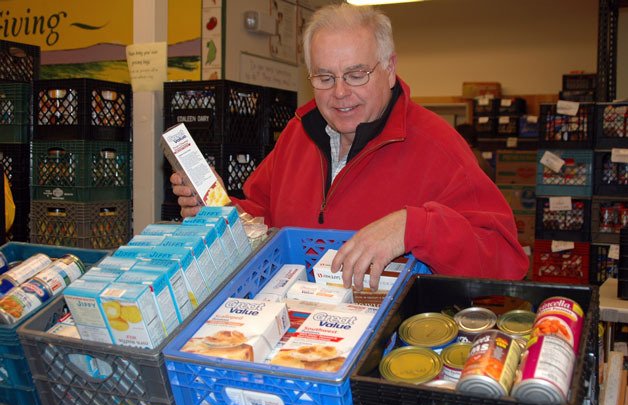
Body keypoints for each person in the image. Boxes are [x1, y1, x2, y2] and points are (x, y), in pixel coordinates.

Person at [171, 3, 529, 291]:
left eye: (357, 75)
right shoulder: (297, 134)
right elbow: (259, 220)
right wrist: (218, 208)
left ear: (389, 69)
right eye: (325, 78)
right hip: (295, 339)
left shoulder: (439, 146)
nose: (340, 92)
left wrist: (413, 227)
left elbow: (505, 262)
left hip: (384, 349)